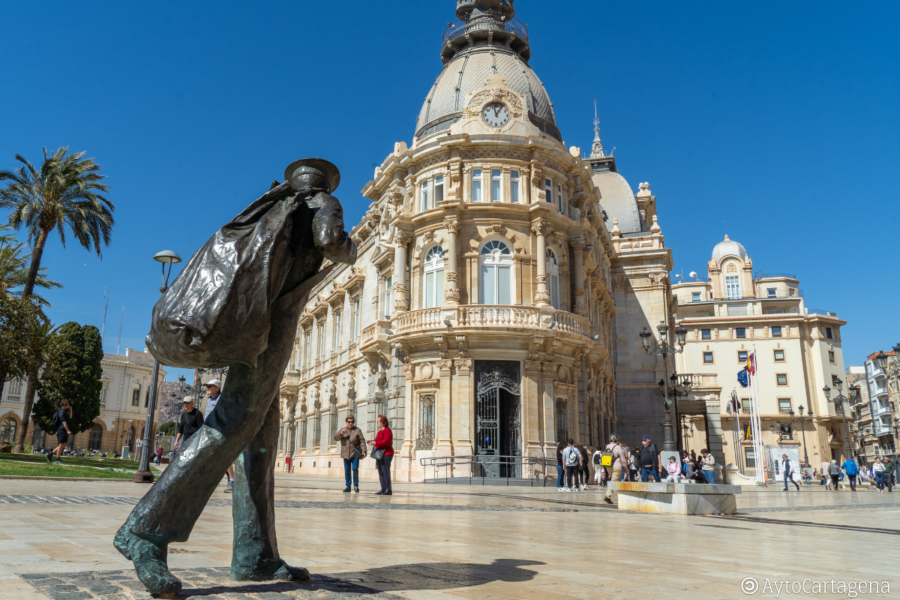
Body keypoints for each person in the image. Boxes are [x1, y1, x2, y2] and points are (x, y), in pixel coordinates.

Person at [202, 379, 234, 493]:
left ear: (217, 388)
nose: (207, 388)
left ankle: (232, 480)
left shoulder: (221, 399)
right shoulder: (210, 400)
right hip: (208, 432)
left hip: (220, 432)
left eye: (210, 386)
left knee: (224, 457)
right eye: (207, 386)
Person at [334, 415, 366, 493]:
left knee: (355, 469)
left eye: (352, 422)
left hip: (355, 454)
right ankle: (348, 486)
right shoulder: (343, 430)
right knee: (347, 470)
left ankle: (355, 486)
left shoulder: (357, 430)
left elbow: (362, 441)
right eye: (349, 422)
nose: (350, 423)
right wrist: (341, 434)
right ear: (346, 422)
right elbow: (335, 438)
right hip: (345, 454)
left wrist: (364, 450)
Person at [368, 415, 393, 495]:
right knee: (381, 471)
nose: (377, 423)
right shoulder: (379, 432)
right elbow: (377, 440)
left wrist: (376, 443)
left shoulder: (387, 430)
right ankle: (383, 488)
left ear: (383, 422)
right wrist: (371, 441)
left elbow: (386, 441)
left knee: (385, 471)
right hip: (379, 454)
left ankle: (388, 489)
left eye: (378, 421)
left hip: (386, 453)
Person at [46, 399, 73, 465]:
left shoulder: (63, 411)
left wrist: (70, 410)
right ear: (65, 404)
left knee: (64, 444)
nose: (69, 405)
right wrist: (67, 430)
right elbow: (64, 422)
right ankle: (57, 459)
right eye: (68, 404)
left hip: (62, 430)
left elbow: (70, 416)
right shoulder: (61, 412)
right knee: (61, 444)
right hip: (62, 429)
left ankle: (50, 454)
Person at [603, 435, 627, 504]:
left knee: (616, 480)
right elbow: (622, 458)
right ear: (616, 440)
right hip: (616, 466)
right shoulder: (618, 447)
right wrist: (626, 466)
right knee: (614, 481)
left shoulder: (607, 446)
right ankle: (607, 496)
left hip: (608, 466)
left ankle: (622, 495)